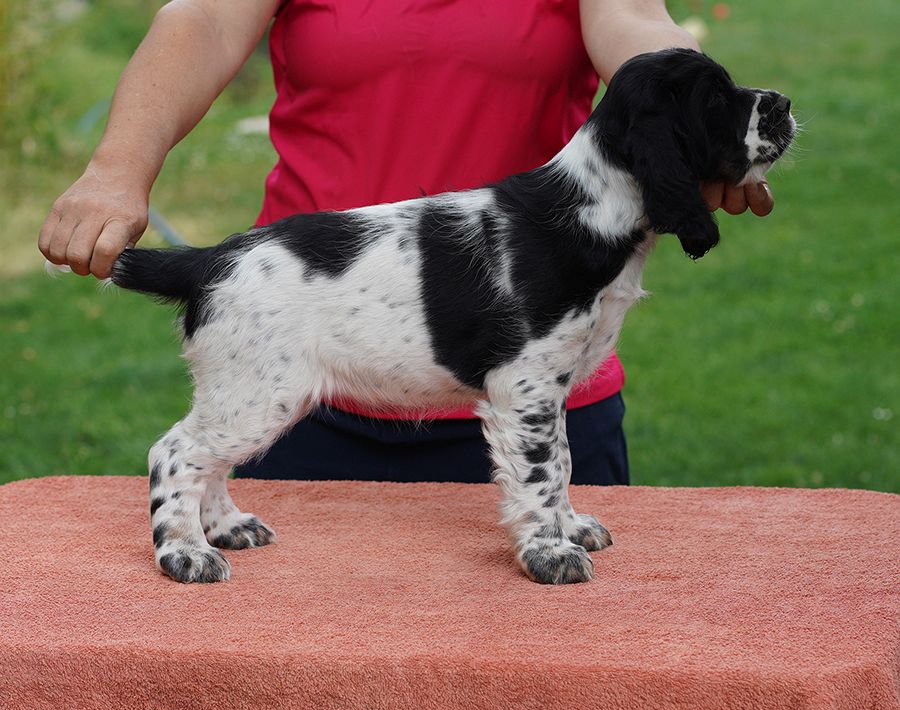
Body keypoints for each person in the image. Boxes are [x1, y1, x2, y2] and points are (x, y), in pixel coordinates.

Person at [38, 0, 774, 484]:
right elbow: (205, 21)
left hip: (539, 389)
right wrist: (116, 167)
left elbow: (637, 21)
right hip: (309, 373)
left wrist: (705, 126)